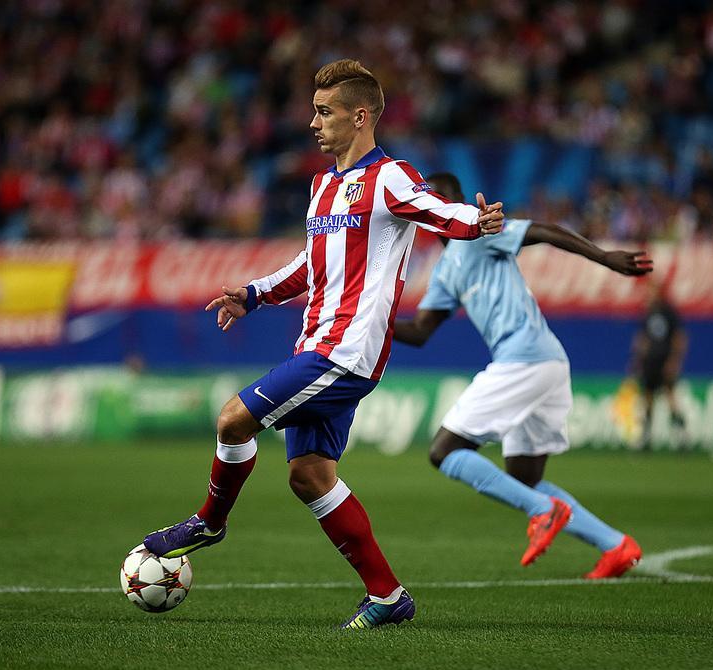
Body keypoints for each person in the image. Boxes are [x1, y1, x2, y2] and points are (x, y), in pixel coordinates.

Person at [142, 62, 505, 629]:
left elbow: (438, 211)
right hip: (315, 345)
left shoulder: (389, 177)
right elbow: (311, 265)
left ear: (360, 117)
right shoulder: (323, 186)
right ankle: (387, 596)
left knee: (232, 420)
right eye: (313, 111)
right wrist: (253, 294)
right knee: (309, 475)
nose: (313, 122)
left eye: (324, 111)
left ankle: (209, 521)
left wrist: (476, 219)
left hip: (345, 352)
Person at [394, 172, 651, 579]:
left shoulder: (481, 234)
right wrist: (372, 321)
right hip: (545, 364)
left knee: (443, 451)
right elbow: (420, 331)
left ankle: (543, 511)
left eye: (444, 199)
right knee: (524, 479)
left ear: (458, 200)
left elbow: (544, 231)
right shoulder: (445, 270)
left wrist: (603, 257)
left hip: (525, 360)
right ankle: (616, 546)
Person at [631, 281, 688, 449]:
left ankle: (681, 436)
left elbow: (679, 338)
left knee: (670, 397)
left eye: (652, 291)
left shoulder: (668, 312)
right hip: (650, 361)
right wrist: (638, 359)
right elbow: (644, 338)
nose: (649, 294)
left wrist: (674, 360)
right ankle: (645, 438)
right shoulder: (649, 312)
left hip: (664, 359)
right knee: (648, 398)